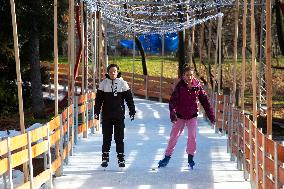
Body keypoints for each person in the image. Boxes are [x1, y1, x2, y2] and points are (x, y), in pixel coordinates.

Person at [158, 66, 215, 169]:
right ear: (183, 76)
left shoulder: (197, 86)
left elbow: (205, 101)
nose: (189, 77)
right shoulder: (180, 87)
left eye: (191, 75)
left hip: (192, 116)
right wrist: (173, 113)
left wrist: (211, 116)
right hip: (179, 116)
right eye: (187, 75)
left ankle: (190, 158)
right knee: (173, 136)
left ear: (193, 75)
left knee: (192, 136)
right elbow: (173, 102)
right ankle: (167, 157)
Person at [94, 64, 136, 168]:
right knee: (106, 138)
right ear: (108, 72)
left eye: (115, 71)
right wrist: (96, 112)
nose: (113, 73)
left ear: (117, 72)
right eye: (111, 71)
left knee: (119, 138)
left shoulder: (123, 83)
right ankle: (105, 157)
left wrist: (132, 111)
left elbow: (129, 99)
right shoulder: (103, 84)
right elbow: (98, 100)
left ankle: (121, 158)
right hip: (107, 116)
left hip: (119, 115)